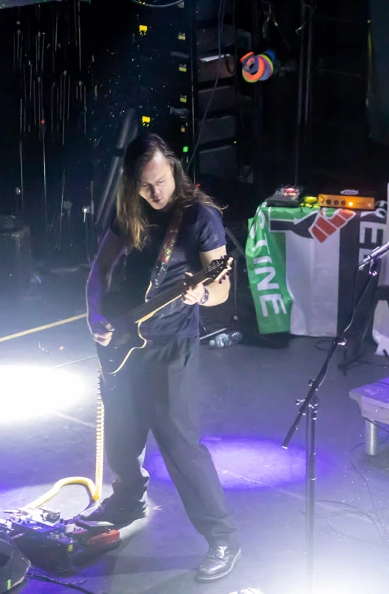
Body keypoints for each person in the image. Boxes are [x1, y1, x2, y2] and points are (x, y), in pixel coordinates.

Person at [81, 133, 240, 582]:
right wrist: (94, 314)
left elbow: (222, 288)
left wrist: (201, 293)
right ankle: (128, 499)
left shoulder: (199, 217)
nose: (155, 193)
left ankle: (224, 537)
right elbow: (101, 269)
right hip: (120, 339)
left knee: (179, 444)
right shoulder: (128, 210)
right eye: (146, 186)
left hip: (171, 344)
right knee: (122, 434)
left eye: (162, 182)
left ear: (173, 169)